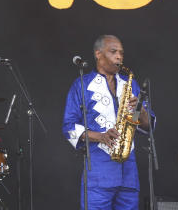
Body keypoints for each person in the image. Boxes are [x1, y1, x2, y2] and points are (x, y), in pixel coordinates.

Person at [62, 35, 154, 210]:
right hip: (98, 172)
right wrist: (100, 136)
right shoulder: (81, 85)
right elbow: (68, 127)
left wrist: (141, 111)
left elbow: (148, 125)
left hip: (129, 172)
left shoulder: (131, 84)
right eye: (113, 52)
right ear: (98, 54)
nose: (119, 56)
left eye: (121, 53)